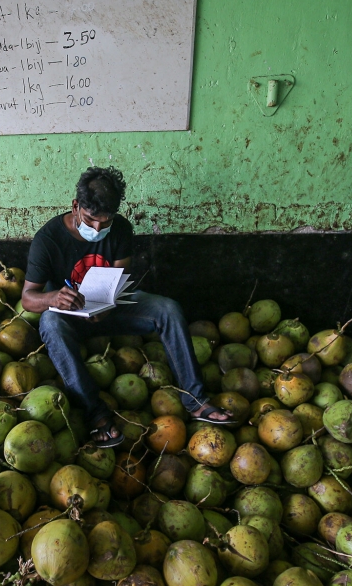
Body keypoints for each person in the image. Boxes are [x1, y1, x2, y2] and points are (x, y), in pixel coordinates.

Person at [21, 166, 234, 448]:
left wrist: (110, 305)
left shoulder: (120, 229)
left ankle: (195, 401)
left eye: (105, 222)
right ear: (75, 206)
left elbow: (120, 279)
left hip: (110, 309)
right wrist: (52, 299)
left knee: (168, 309)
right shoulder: (47, 240)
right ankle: (96, 415)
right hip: (69, 316)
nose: (97, 229)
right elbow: (27, 297)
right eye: (90, 219)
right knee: (50, 323)